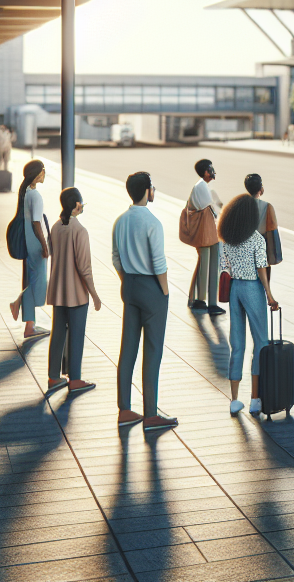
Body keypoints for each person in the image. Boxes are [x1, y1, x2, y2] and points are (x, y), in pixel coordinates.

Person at [113, 171, 176, 432]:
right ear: (146, 191)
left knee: (127, 348)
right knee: (152, 351)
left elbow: (116, 258)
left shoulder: (120, 221)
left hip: (129, 286)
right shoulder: (152, 222)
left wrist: (126, 280)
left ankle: (125, 410)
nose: (154, 191)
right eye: (152, 187)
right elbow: (158, 262)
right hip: (152, 289)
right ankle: (151, 414)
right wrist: (164, 292)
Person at [218, 194, 279, 415]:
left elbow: (223, 266)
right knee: (261, 341)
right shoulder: (256, 240)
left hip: (235, 289)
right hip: (253, 288)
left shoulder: (227, 239)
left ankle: (234, 399)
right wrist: (270, 295)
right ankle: (255, 398)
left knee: (237, 343)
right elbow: (262, 269)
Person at [45, 187, 102, 396]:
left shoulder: (56, 227)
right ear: (77, 205)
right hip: (76, 293)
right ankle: (75, 379)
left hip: (58, 290)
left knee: (58, 333)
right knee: (76, 335)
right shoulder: (80, 231)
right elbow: (84, 268)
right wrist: (94, 295)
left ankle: (53, 377)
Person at [8, 160, 50, 340]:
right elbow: (36, 223)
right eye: (43, 171)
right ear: (37, 174)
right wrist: (45, 245)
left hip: (29, 242)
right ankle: (17, 302)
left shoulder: (27, 192)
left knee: (34, 280)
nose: (44, 173)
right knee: (38, 284)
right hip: (36, 245)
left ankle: (29, 326)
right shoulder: (35, 196)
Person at [187, 159, 224, 314]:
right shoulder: (201, 186)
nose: (213, 171)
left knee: (209, 264)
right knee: (206, 264)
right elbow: (212, 208)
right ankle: (200, 300)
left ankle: (206, 300)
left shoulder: (204, 186)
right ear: (205, 171)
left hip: (210, 231)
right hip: (205, 231)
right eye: (210, 169)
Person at [244, 173, 281, 277]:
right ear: (260, 188)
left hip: (244, 248)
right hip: (262, 249)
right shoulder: (267, 207)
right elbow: (272, 231)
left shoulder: (240, 205)